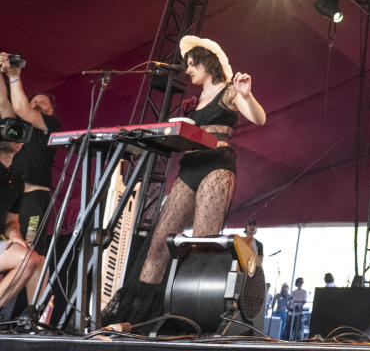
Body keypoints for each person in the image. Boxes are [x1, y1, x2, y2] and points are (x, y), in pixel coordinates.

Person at [103, 36, 266, 324]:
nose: (188, 69)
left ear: (209, 63)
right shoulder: (194, 101)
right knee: (159, 243)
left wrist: (247, 94)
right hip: (189, 166)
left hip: (216, 166)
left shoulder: (228, 91)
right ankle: (135, 320)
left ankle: (187, 320)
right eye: (187, 65)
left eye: (193, 64)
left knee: (201, 244)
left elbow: (258, 117)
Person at [0, 54, 61, 253]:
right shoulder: (20, 128)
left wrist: (15, 76)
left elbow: (20, 106)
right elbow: (3, 103)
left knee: (31, 246)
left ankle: (34, 280)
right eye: (34, 99)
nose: (37, 102)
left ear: (50, 111)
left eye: (42, 102)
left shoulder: (50, 126)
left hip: (34, 196)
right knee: (12, 244)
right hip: (13, 193)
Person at [0, 128, 44, 309]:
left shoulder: (15, 179)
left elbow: (11, 220)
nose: (15, 134)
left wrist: (15, 234)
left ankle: (36, 321)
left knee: (35, 260)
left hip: (34, 209)